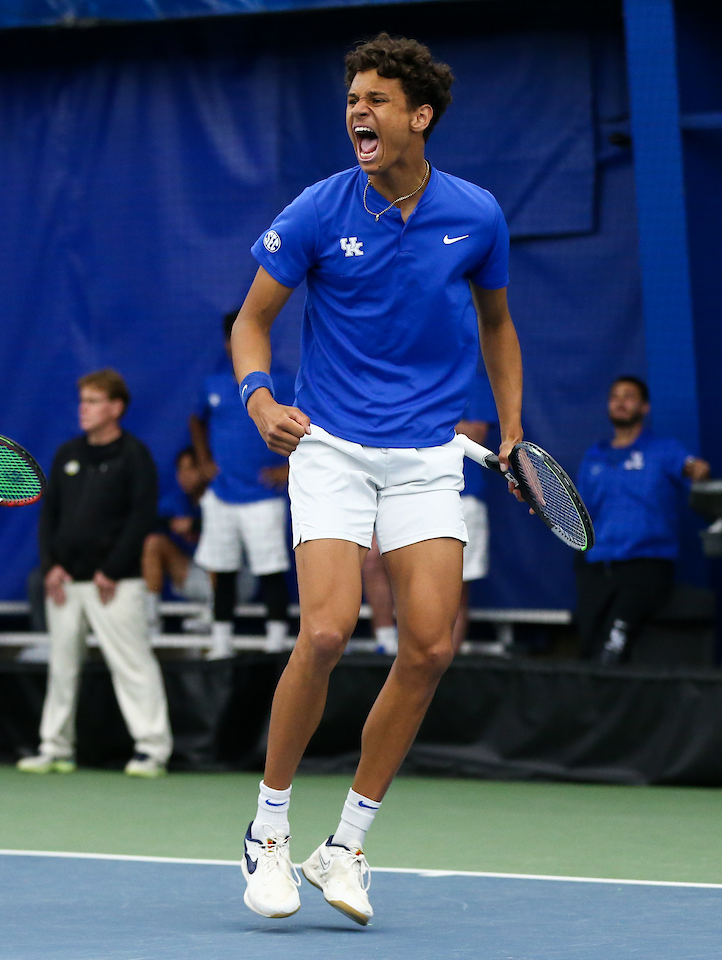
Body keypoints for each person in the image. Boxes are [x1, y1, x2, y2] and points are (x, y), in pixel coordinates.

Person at [232, 34, 524, 925]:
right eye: (352, 97)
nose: (358, 111)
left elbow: (499, 328)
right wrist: (257, 399)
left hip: (429, 456)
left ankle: (346, 843)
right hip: (329, 447)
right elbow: (251, 323)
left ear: (419, 116)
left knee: (430, 647)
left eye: (376, 99)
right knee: (323, 634)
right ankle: (269, 831)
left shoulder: (476, 215)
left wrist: (512, 432)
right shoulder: (321, 210)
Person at [19, 369, 173, 777]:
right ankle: (55, 748)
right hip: (66, 584)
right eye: (82, 400)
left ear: (116, 407)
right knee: (62, 666)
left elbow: (142, 519)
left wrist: (113, 569)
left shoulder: (134, 456)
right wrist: (51, 568)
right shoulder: (67, 453)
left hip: (116, 585)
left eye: (92, 401)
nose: (82, 409)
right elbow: (49, 517)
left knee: (133, 664)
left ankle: (151, 750)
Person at [575, 376, 710, 663]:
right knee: (588, 646)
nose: (620, 401)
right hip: (597, 565)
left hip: (646, 565)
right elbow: (578, 511)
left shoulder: (664, 449)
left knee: (613, 647)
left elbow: (693, 469)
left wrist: (697, 470)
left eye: (629, 396)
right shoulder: (594, 456)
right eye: (614, 396)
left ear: (645, 407)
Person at [190, 311, 295, 658]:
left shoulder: (285, 381)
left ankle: (276, 643)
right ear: (226, 343)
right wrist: (203, 460)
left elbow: (313, 427)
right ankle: (221, 644)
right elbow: (196, 420)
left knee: (271, 569)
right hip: (222, 496)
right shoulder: (214, 383)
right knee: (222, 569)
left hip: (263, 495)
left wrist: (289, 469)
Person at [142, 448, 212, 636]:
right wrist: (172, 523)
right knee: (153, 542)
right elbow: (145, 522)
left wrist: (196, 525)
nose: (184, 476)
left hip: (235, 581)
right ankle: (150, 619)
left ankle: (215, 615)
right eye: (181, 470)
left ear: (205, 468)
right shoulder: (177, 500)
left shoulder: (223, 494)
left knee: (218, 545)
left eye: (191, 469)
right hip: (194, 575)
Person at [452, 370, 497, 650]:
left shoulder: (475, 383)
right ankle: (388, 643)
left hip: (463, 498)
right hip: (410, 495)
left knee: (454, 589)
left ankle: (447, 666)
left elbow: (477, 433)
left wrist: (419, 420)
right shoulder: (409, 378)